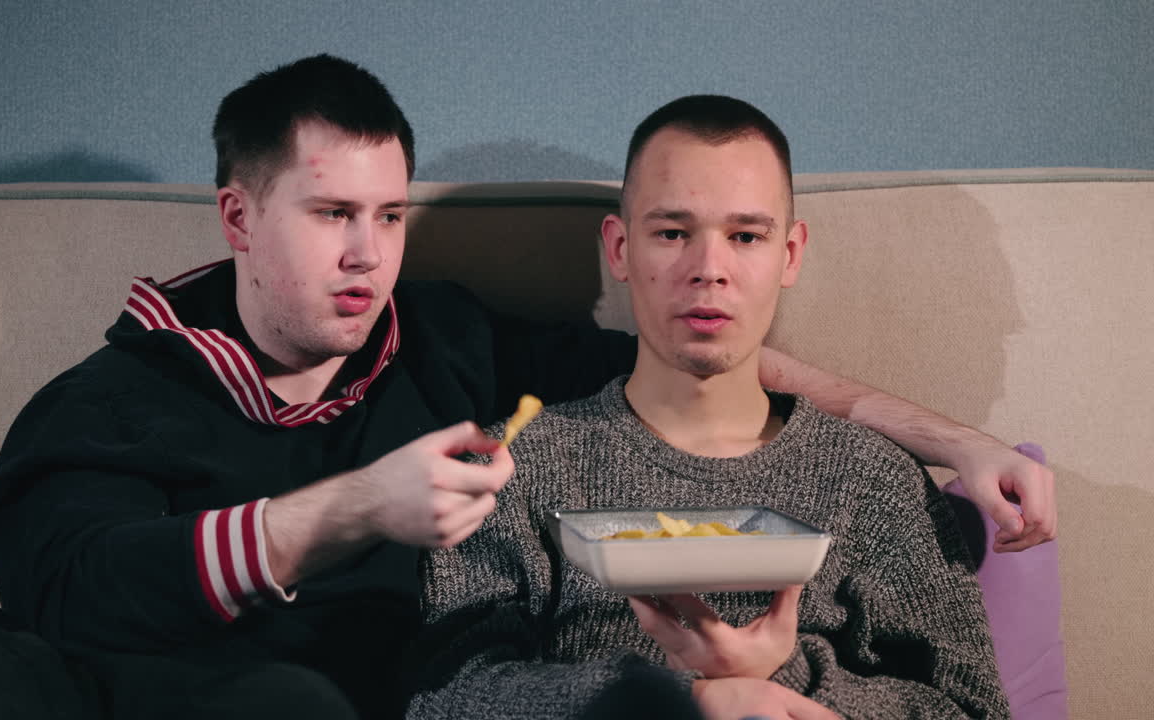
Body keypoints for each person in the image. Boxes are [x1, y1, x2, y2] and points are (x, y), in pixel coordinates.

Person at [0, 56, 1039, 718]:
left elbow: (700, 349)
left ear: (785, 252)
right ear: (238, 216)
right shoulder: (112, 397)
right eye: (331, 214)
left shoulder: (452, 347)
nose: (366, 255)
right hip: (66, 677)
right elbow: (68, 588)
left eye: (387, 216)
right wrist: (352, 510)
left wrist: (950, 443)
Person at [406, 95, 1010, 719]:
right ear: (619, 249)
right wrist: (682, 697)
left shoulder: (872, 481)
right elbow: (445, 697)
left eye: (746, 236)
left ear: (790, 255)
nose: (709, 269)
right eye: (672, 233)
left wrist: (782, 678)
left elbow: (973, 708)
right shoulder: (518, 466)